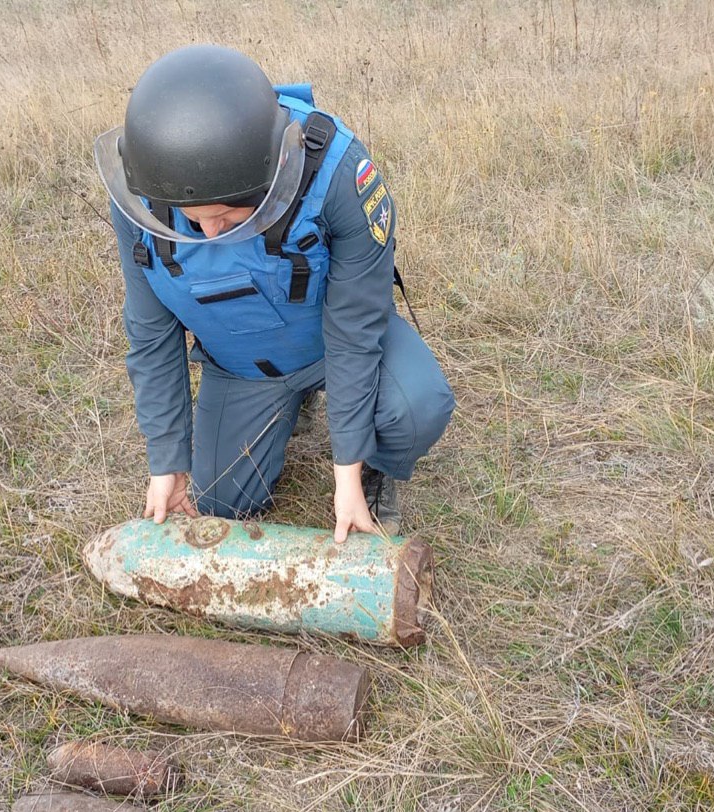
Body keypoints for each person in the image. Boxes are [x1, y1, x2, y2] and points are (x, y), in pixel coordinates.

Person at [95, 45, 455, 543]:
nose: (210, 232)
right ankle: (288, 406)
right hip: (243, 366)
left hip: (333, 346)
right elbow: (151, 334)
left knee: (417, 408)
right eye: (194, 219)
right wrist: (167, 463)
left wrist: (347, 472)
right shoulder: (142, 193)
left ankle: (378, 466)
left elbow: (354, 331)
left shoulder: (338, 176)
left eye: (226, 215)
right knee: (222, 502)